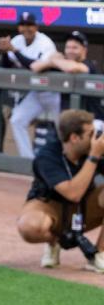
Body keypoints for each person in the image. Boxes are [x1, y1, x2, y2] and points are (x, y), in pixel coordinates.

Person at [17, 110, 104, 271]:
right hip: (50, 206)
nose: (95, 137)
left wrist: (98, 153)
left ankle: (99, 255)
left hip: (83, 208)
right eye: (90, 133)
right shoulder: (47, 156)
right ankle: (54, 242)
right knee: (28, 226)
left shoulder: (93, 150)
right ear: (74, 138)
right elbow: (73, 193)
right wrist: (94, 156)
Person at [0, 11, 59, 158]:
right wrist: (5, 52)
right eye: (23, 25)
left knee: (63, 128)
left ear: (36, 26)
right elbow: (7, 66)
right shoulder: (17, 40)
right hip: (37, 93)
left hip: (54, 92)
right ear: (19, 27)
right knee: (17, 120)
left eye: (30, 25)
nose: (26, 28)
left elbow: (35, 66)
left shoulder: (46, 43)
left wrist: (13, 50)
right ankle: (28, 160)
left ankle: (65, 161)